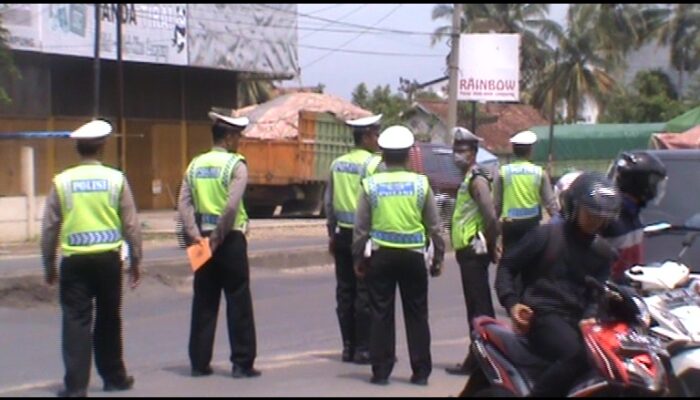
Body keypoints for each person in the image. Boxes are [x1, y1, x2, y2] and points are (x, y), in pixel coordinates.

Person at [495, 171, 621, 397]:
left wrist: (590, 316)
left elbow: (597, 293)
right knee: (578, 355)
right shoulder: (546, 236)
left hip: (579, 323)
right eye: (590, 213)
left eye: (601, 216)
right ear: (574, 205)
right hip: (543, 316)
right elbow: (507, 266)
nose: (595, 221)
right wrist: (512, 304)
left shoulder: (604, 253)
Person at [41, 119, 142, 397]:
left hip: (75, 263)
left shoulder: (62, 181)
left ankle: (76, 386)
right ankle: (114, 377)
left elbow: (49, 228)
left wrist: (49, 265)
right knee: (109, 319)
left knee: (76, 321)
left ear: (78, 148)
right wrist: (136, 261)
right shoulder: (116, 179)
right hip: (109, 260)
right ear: (103, 148)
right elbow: (131, 225)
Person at [352, 125, 445, 386]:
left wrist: (358, 259)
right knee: (417, 313)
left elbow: (360, 228)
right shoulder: (420, 183)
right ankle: (421, 372)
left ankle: (381, 371)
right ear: (407, 155)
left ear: (382, 154)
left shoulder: (370, 185)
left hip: (381, 256)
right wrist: (438, 257)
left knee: (381, 312)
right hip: (413, 256)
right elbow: (435, 226)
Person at [177, 111, 260, 379]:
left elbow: (184, 205)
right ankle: (241, 363)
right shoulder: (236, 165)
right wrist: (216, 239)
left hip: (201, 238)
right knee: (238, 298)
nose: (239, 141)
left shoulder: (195, 165)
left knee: (203, 300)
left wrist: (196, 236)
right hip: (230, 239)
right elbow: (231, 207)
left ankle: (199, 363)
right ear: (228, 137)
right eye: (237, 136)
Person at [324, 113, 383, 364]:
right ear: (367, 136)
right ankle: (363, 347)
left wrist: (331, 232)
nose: (378, 139)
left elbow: (328, 203)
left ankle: (347, 346)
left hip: (341, 234)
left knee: (344, 292)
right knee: (364, 292)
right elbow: (376, 202)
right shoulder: (373, 164)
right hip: (364, 236)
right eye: (376, 134)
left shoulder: (337, 164)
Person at [444, 127, 500, 376]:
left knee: (478, 308)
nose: (457, 155)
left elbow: (489, 214)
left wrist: (491, 242)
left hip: (474, 251)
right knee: (477, 305)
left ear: (474, 153)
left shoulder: (477, 179)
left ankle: (481, 360)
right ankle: (483, 356)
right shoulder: (468, 177)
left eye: (462, 151)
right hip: (467, 250)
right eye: (455, 150)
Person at [601, 151, 667, 283]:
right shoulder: (610, 218)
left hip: (630, 292)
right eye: (654, 183)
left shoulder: (634, 214)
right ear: (641, 183)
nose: (656, 188)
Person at [493, 130, 558, 255]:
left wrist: (494, 234)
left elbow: (496, 205)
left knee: (509, 262)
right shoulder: (539, 172)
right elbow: (551, 204)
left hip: (510, 225)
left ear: (514, 150)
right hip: (531, 224)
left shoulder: (503, 172)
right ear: (530, 151)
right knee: (530, 262)